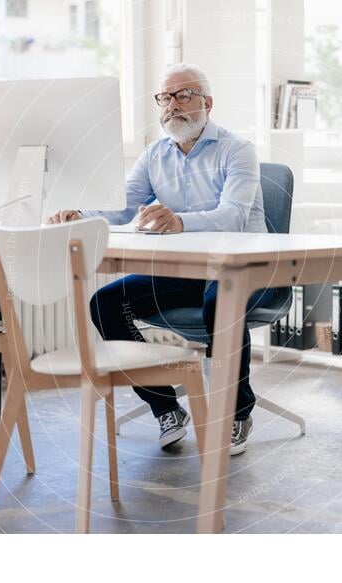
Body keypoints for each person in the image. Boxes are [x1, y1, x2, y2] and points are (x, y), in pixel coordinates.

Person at [49, 63, 271, 455]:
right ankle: (165, 407)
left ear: (208, 102)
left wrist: (179, 221)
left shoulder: (238, 150)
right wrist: (79, 215)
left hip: (243, 269)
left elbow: (234, 216)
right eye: (165, 98)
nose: (173, 106)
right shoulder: (155, 155)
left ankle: (237, 412)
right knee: (105, 302)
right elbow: (120, 208)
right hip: (187, 272)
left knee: (220, 302)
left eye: (184, 95)